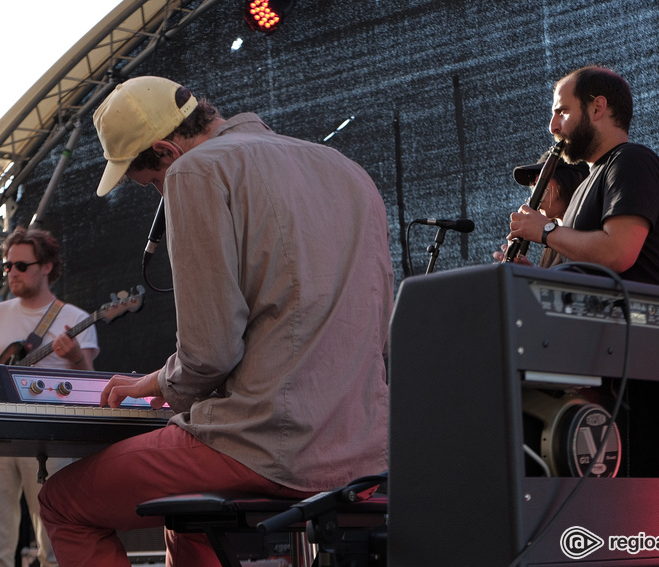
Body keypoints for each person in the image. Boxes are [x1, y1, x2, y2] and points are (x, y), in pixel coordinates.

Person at [38, 76, 393, 566]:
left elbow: (210, 355)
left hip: (265, 446)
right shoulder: (346, 169)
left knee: (62, 501)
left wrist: (159, 383)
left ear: (165, 151)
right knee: (190, 516)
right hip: (365, 452)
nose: (161, 194)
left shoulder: (195, 171)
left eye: (153, 185)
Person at [0, 226, 99, 567]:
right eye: (7, 266)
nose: (12, 273)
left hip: (49, 435)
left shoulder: (74, 318)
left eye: (21, 266)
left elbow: (90, 382)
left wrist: (75, 356)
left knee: (52, 535)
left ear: (46, 267)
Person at [502, 65, 659, 288]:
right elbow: (585, 279)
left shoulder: (632, 159)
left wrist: (545, 230)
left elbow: (617, 253)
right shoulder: (585, 185)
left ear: (597, 108)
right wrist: (534, 278)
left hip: (639, 320)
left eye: (562, 112)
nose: (552, 126)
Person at [493, 153, 589, 268]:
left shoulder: (592, 231)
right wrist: (530, 274)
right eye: (534, 184)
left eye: (543, 180)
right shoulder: (551, 247)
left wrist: (547, 231)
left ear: (575, 177)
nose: (536, 189)